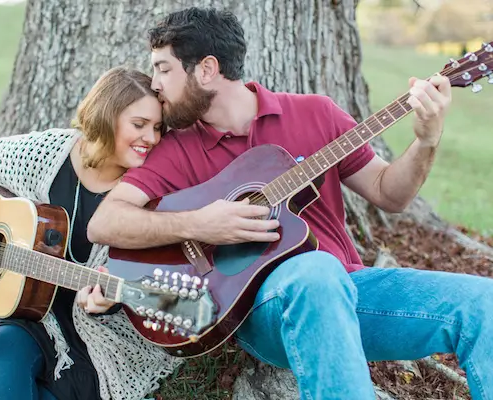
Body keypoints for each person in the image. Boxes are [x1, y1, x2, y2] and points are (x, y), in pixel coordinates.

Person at [87, 7, 493, 400]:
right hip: (260, 309)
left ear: (206, 70)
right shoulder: (177, 149)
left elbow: (391, 195)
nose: (155, 83)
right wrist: (199, 224)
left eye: (163, 68)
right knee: (314, 271)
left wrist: (426, 140)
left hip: (350, 290)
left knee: (483, 304)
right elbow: (106, 222)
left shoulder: (316, 114)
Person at [0, 66, 180, 400]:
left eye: (157, 128)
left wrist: (107, 301)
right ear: (105, 117)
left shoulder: (149, 195)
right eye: (139, 125)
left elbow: (151, 285)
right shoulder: (51, 153)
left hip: (100, 342)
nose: (151, 139)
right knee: (4, 350)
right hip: (30, 313)